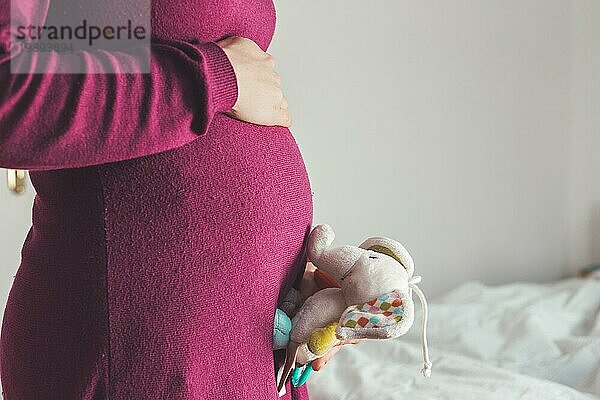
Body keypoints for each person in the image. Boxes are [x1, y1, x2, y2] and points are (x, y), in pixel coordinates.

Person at [0, 0, 358, 398]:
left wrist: (280, 281)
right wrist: (217, 77)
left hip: (241, 344)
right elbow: (9, 88)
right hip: (136, 350)